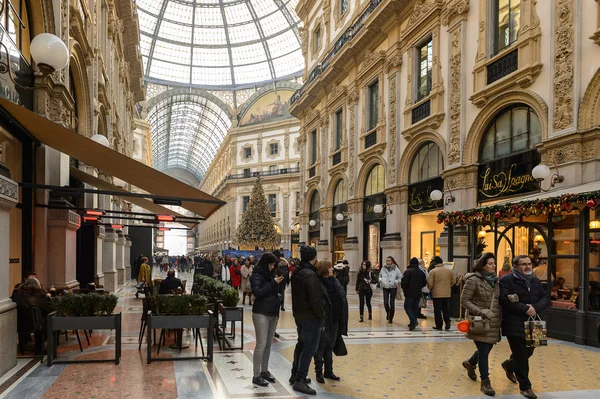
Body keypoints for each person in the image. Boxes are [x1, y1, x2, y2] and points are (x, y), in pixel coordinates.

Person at [499, 255, 549, 399]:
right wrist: (524, 309)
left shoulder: (535, 280)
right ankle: (525, 387)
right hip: (514, 323)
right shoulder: (507, 280)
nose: (528, 267)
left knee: (530, 351)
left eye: (529, 264)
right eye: (523, 264)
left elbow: (544, 298)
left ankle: (509, 364)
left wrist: (534, 308)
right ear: (515, 266)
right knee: (521, 356)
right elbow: (504, 299)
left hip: (534, 322)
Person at [460, 252, 501, 396]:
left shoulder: (496, 280)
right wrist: (481, 311)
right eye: (490, 263)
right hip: (479, 321)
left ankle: (470, 363)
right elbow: (465, 300)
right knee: (484, 351)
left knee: (487, 347)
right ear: (483, 265)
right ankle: (485, 382)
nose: (494, 266)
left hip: (493, 321)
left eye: (494, 263)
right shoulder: (474, 280)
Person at [290, 245, 325, 395]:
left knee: (301, 344)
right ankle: (300, 379)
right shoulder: (310, 275)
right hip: (310, 316)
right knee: (310, 348)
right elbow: (315, 299)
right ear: (314, 258)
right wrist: (322, 316)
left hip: (299, 314)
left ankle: (295, 373)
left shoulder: (297, 271)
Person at [250, 252, 285, 387]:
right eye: (270, 264)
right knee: (261, 344)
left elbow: (271, 289)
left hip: (272, 312)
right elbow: (258, 292)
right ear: (265, 263)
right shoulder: (256, 275)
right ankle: (256, 374)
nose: (272, 267)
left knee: (269, 344)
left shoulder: (271, 274)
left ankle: (264, 371)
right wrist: (273, 283)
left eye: (274, 265)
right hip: (261, 313)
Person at [313, 259, 347, 383]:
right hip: (325, 319)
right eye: (330, 267)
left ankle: (329, 371)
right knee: (321, 346)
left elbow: (342, 294)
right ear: (324, 270)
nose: (332, 269)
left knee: (330, 345)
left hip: (336, 319)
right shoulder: (318, 284)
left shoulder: (334, 281)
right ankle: (319, 372)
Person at [12, 278, 53, 355]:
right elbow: (49, 310)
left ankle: (31, 347)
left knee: (40, 323)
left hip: (19, 325)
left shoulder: (18, 295)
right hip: (37, 325)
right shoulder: (39, 297)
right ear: (38, 286)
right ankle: (39, 348)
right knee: (49, 321)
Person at [427, 257, 457, 330]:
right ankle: (447, 321)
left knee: (437, 310)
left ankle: (439, 325)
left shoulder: (433, 271)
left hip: (436, 293)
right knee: (445, 309)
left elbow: (429, 283)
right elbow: (454, 281)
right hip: (447, 293)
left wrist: (431, 288)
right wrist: (448, 286)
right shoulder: (449, 271)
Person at [401, 257, 427, 330]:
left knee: (407, 307)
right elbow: (424, 283)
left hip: (409, 293)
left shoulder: (408, 271)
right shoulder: (421, 272)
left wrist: (404, 289)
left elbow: (404, 282)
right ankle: (412, 323)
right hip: (418, 293)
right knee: (415, 308)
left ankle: (413, 320)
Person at [379, 256, 402, 323]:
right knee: (385, 302)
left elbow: (400, 277)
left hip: (393, 287)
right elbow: (380, 275)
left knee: (392, 303)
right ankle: (388, 313)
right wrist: (381, 280)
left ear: (392, 261)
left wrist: (396, 282)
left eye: (389, 260)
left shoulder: (396, 268)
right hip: (385, 286)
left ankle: (391, 317)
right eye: (387, 260)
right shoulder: (383, 268)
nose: (387, 262)